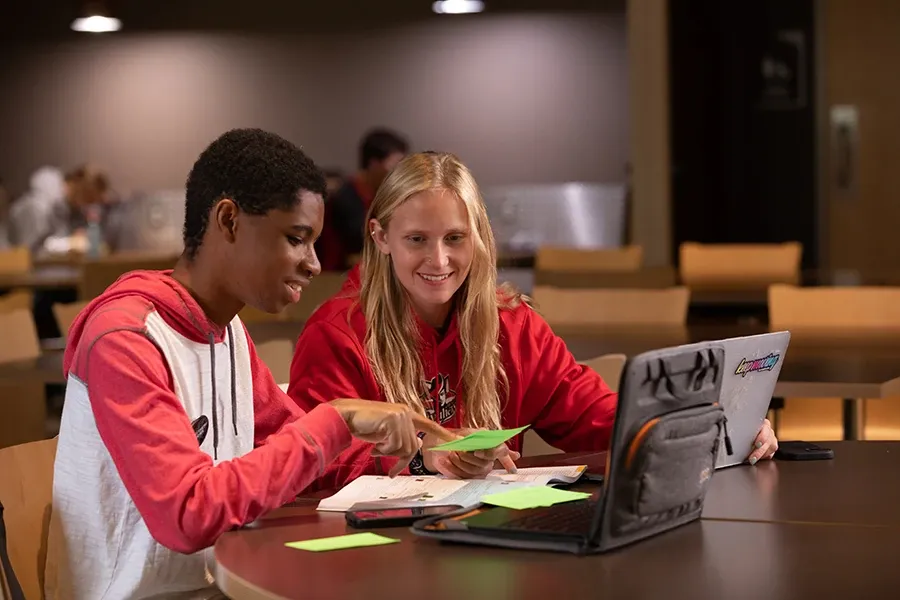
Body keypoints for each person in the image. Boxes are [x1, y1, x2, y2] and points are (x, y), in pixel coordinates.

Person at [44, 129, 452, 600]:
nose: (313, 264)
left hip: (219, 587)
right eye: (296, 239)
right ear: (229, 220)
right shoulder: (125, 338)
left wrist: (419, 457)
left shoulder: (227, 330)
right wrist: (336, 418)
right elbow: (188, 514)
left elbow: (306, 456)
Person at [287, 152, 779, 489]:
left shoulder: (513, 326)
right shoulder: (337, 334)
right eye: (417, 239)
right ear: (380, 237)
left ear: (479, 237)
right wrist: (420, 457)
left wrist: (711, 423)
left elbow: (597, 415)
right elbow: (311, 459)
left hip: (491, 542)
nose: (438, 260)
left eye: (455, 238)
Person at [318, 128, 408, 271]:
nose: (398, 173)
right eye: (393, 166)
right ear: (373, 163)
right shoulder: (344, 199)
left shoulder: (391, 197)